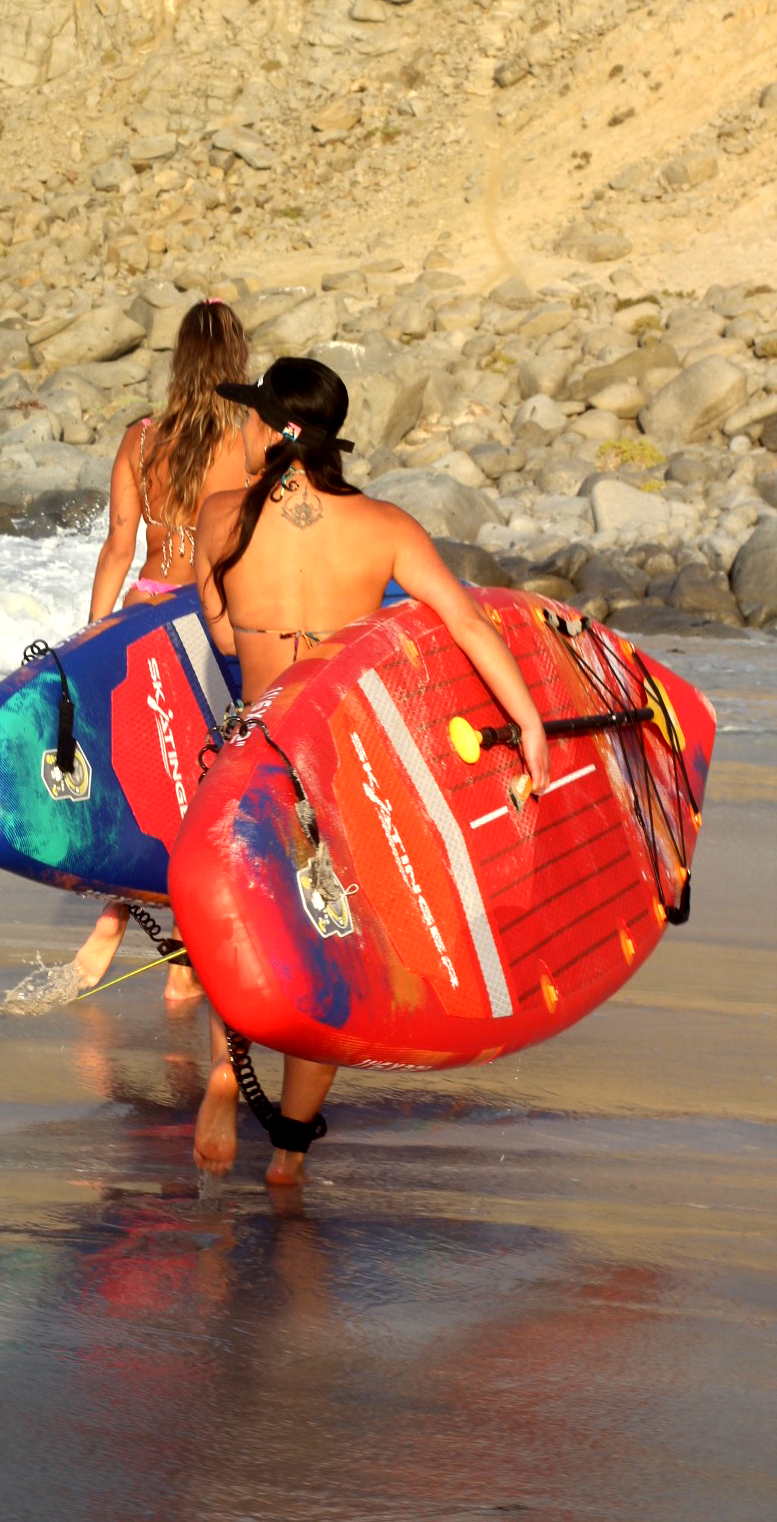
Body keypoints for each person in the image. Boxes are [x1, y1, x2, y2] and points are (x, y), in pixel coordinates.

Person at [191, 356, 552, 1185]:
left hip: (251, 752)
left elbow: (215, 632)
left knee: (234, 924)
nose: (241, 429)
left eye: (249, 417)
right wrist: (526, 720)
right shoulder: (385, 526)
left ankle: (223, 1070)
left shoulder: (219, 517)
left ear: (267, 428)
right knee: (332, 945)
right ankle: (288, 1153)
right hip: (336, 766)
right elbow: (464, 620)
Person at [71, 299, 252, 1000]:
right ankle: (174, 955)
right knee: (199, 790)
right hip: (206, 624)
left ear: (178, 359)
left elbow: (118, 548)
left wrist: (91, 643)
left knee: (144, 782)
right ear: (236, 363)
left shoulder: (141, 439)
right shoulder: (244, 445)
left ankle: (123, 920)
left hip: (143, 612)